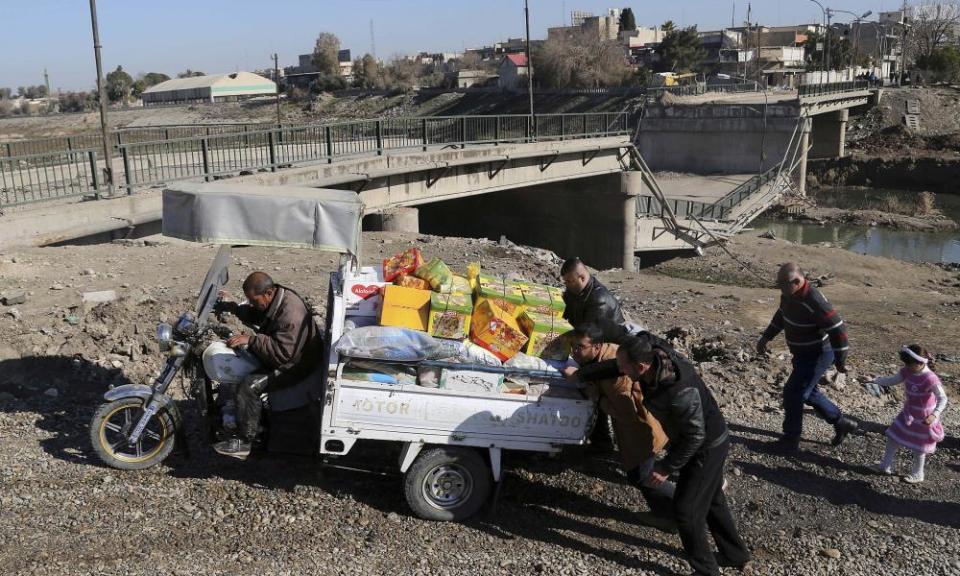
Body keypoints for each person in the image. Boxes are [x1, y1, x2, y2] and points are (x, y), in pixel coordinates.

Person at [617, 335, 750, 576]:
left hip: (705, 447)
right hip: (698, 441)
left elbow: (695, 437)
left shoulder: (679, 390)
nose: (620, 369)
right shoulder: (651, 353)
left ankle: (706, 571)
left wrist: (666, 467)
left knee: (686, 512)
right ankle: (735, 554)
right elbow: (644, 336)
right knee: (712, 500)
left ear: (641, 366)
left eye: (623, 366)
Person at [563, 324, 674, 522]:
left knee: (642, 475)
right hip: (639, 427)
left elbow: (626, 413)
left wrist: (597, 398)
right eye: (573, 346)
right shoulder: (610, 353)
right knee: (641, 474)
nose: (575, 352)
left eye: (580, 347)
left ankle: (686, 505)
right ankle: (666, 514)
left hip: (640, 429)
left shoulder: (615, 375)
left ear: (597, 347)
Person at [208, 271, 322, 458]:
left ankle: (245, 441)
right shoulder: (276, 300)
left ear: (268, 293)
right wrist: (234, 308)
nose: (253, 304)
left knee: (247, 386)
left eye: (254, 300)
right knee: (240, 360)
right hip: (289, 355)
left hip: (296, 365)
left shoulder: (290, 314)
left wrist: (251, 340)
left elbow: (283, 353)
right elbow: (259, 314)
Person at [756, 262, 858, 452]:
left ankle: (790, 439)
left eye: (782, 284)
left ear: (796, 281)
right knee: (809, 393)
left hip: (818, 355)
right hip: (801, 354)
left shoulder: (814, 301)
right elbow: (782, 314)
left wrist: (840, 361)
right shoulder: (789, 294)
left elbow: (838, 329)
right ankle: (841, 422)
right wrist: (766, 336)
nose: (779, 288)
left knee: (793, 393)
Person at [865, 344, 948, 484]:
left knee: (919, 447)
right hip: (908, 413)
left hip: (924, 418)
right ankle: (885, 466)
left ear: (921, 362)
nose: (907, 367)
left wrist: (934, 415)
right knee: (893, 436)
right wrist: (875, 380)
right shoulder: (907, 371)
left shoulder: (930, 378)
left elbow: (943, 398)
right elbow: (893, 380)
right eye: (906, 364)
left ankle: (918, 473)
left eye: (910, 364)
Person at [560, 257, 625, 330]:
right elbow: (564, 311)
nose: (566, 285)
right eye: (565, 282)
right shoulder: (574, 289)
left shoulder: (599, 300)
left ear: (582, 278)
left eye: (569, 281)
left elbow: (588, 335)